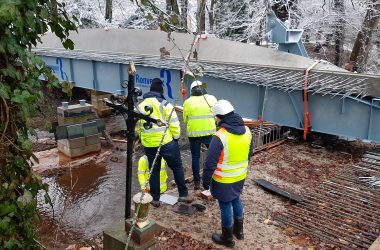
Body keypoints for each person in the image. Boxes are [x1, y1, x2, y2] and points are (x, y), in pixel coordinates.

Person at [202, 100, 253, 248]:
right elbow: (250, 153)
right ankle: (239, 232)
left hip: (223, 179)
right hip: (240, 176)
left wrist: (206, 182)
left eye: (216, 117)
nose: (216, 120)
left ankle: (227, 238)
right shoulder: (247, 131)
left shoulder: (220, 136)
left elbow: (210, 163)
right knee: (236, 199)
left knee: (225, 206)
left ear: (220, 117)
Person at [137, 78, 192, 207]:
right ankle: (183, 194)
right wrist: (175, 138)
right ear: (161, 91)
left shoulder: (140, 106)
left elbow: (138, 127)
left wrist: (144, 139)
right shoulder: (164, 104)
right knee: (177, 167)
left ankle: (155, 199)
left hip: (149, 145)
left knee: (154, 170)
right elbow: (175, 124)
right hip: (166, 143)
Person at [183, 80, 217, 190]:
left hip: (194, 134)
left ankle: (197, 182)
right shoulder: (211, 99)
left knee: (195, 158)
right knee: (212, 156)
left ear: (192, 90)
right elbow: (217, 116)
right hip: (209, 133)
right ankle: (213, 178)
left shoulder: (187, 102)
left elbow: (185, 119)